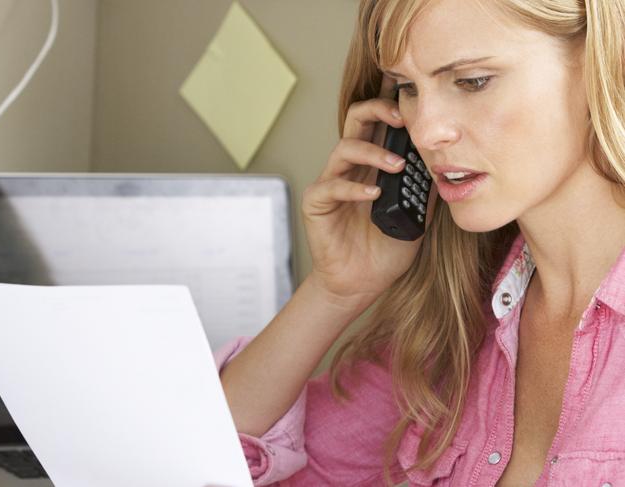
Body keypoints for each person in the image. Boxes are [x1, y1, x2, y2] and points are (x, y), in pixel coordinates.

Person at [215, 0, 625, 485]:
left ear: (605, 60)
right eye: (407, 88)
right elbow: (208, 462)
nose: (427, 132)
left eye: (472, 81)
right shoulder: (451, 330)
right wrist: (335, 291)